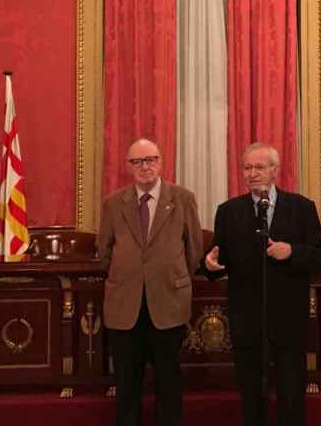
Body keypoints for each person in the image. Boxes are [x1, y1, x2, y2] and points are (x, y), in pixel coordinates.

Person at [203, 143, 321, 426]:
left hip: (288, 319)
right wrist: (209, 264)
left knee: (291, 395)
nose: (252, 173)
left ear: (274, 170)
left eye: (259, 167)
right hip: (246, 319)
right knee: (251, 395)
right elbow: (214, 261)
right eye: (247, 167)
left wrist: (292, 251)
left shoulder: (301, 207)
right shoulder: (228, 211)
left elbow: (320, 257)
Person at [97, 138, 203, 426]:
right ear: (129, 166)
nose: (145, 167)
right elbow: (104, 252)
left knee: (169, 380)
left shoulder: (182, 198)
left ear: (161, 161)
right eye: (138, 162)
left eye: (151, 159)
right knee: (127, 383)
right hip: (124, 306)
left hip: (168, 302)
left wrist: (168, 275)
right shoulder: (114, 203)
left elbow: (194, 251)